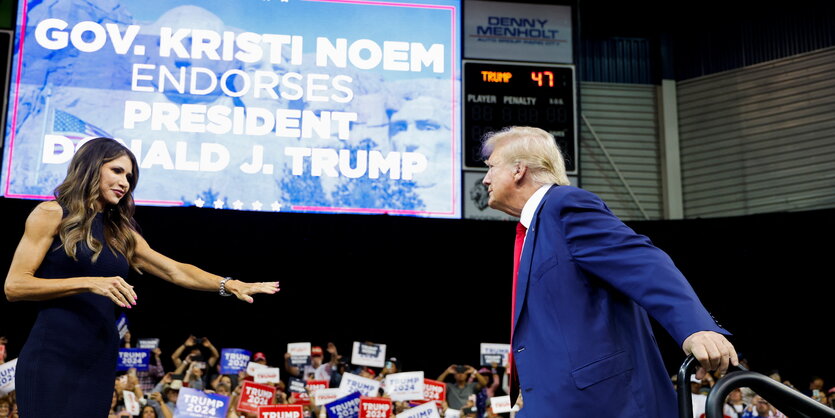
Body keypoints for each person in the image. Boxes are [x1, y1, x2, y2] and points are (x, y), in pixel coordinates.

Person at [3, 137, 281, 417]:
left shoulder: (120, 233)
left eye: (129, 177)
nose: (125, 182)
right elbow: (15, 286)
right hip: (53, 354)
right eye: (117, 171)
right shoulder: (51, 214)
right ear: (90, 167)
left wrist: (228, 284)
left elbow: (175, 270)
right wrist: (89, 282)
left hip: (98, 357)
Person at [479, 126, 738, 417]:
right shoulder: (535, 229)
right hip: (557, 404)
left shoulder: (564, 205)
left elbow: (644, 262)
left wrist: (695, 326)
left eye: (490, 167)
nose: (486, 178)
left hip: (605, 404)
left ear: (518, 170)